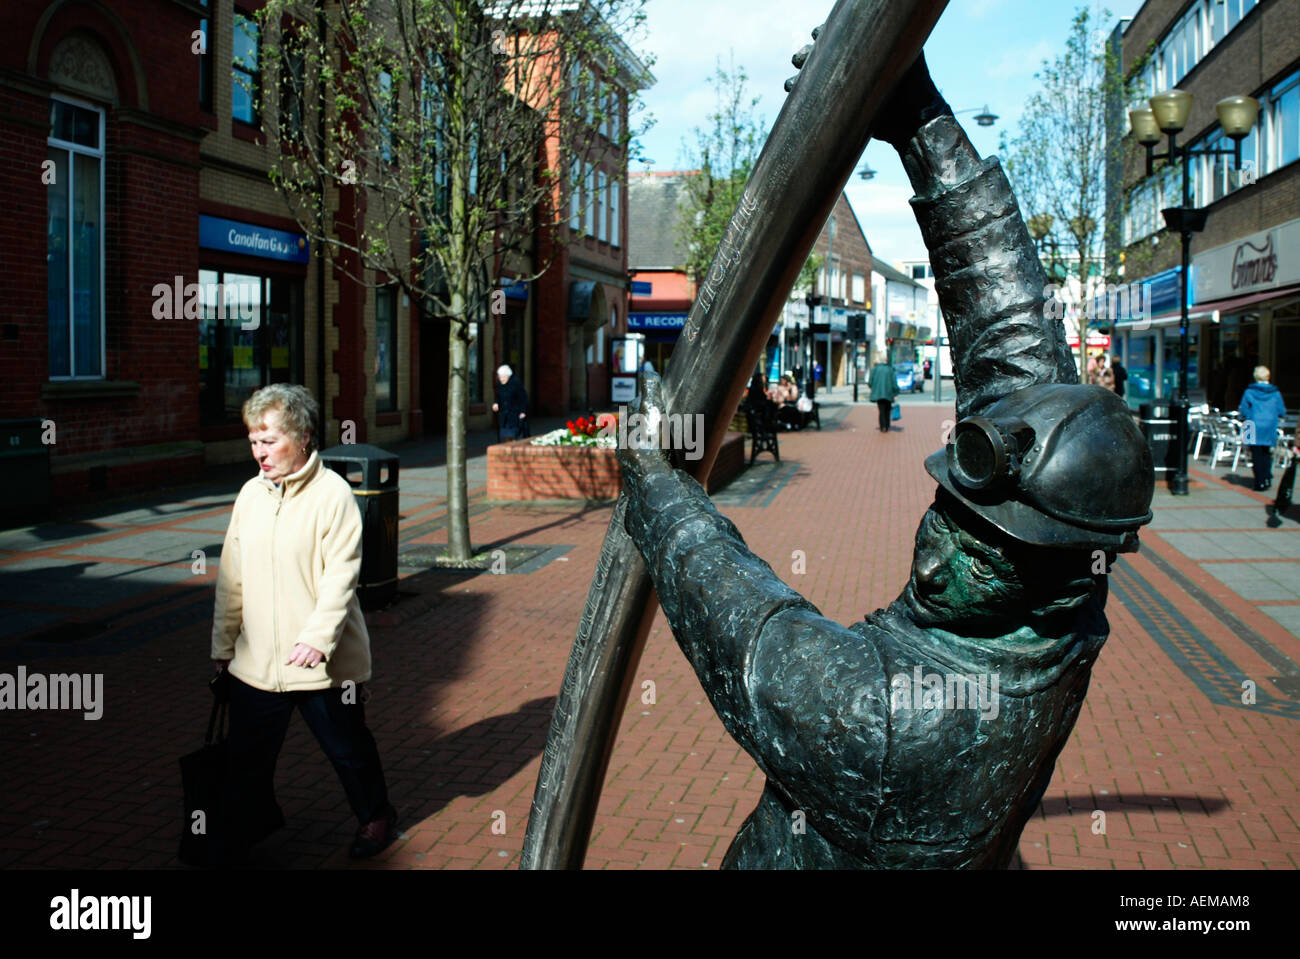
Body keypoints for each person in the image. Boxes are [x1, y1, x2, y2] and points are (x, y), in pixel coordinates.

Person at [614, 52, 1154, 869]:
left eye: (983, 562)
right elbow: (1009, 330)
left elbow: (752, 633)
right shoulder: (1065, 600)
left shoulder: (896, 716)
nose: (938, 567)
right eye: (947, 523)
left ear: (1062, 579)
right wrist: (919, 118)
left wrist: (657, 487)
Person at [210, 384, 396, 865]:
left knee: (348, 750)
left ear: (304, 436)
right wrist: (224, 641)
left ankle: (375, 817)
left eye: (269, 440)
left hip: (321, 664)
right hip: (256, 662)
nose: (259, 452)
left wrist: (317, 639)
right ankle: (240, 831)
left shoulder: (333, 494)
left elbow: (341, 577)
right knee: (245, 760)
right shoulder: (250, 494)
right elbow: (232, 574)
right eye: (254, 440)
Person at [1239, 366, 1287, 491]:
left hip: (1251, 423)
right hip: (1269, 424)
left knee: (1255, 454)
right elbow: (1282, 411)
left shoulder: (1249, 392)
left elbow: (1244, 410)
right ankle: (1266, 477)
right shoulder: (1275, 393)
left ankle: (1259, 481)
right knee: (1266, 452)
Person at [493, 364, 528, 439]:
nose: (501, 379)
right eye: (500, 377)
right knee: (506, 436)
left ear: (508, 376)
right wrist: (496, 403)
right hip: (504, 415)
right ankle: (507, 450)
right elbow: (498, 396)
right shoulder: (500, 384)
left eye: (503, 377)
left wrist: (523, 411)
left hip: (515, 414)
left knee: (515, 436)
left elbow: (523, 398)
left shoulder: (516, 383)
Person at [868, 351, 898, 432]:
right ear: (886, 360)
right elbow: (894, 382)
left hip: (878, 393)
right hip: (888, 393)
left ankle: (882, 426)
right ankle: (887, 425)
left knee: (881, 410)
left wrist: (872, 388)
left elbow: (870, 382)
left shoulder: (874, 369)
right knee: (887, 409)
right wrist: (895, 393)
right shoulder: (890, 369)